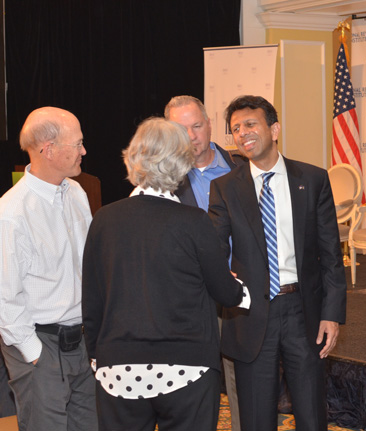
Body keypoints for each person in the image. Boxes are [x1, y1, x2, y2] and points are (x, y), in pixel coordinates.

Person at [81, 117, 245, 431]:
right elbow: (225, 291)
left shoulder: (103, 220)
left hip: (118, 368)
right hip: (187, 367)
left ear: (133, 158)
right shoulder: (194, 221)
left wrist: (97, 357)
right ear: (182, 163)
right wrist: (244, 291)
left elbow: (92, 299)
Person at [209, 95, 347, 430]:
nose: (243, 133)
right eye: (236, 129)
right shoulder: (225, 188)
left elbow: (330, 254)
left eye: (250, 124)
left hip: (304, 313)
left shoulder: (312, 180)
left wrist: (332, 314)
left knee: (312, 415)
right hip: (251, 314)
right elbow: (212, 249)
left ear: (274, 129)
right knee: (256, 418)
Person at [0, 107, 97, 431]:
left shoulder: (77, 193)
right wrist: (35, 354)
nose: (84, 151)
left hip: (80, 342)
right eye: (78, 143)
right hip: (38, 344)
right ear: (48, 149)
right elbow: (5, 298)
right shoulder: (11, 213)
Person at [164, 94, 244, 428]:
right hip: (189, 299)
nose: (193, 135)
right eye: (183, 129)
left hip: (240, 293)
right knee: (194, 390)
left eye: (198, 126)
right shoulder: (163, 180)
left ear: (210, 124)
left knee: (244, 382)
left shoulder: (244, 168)